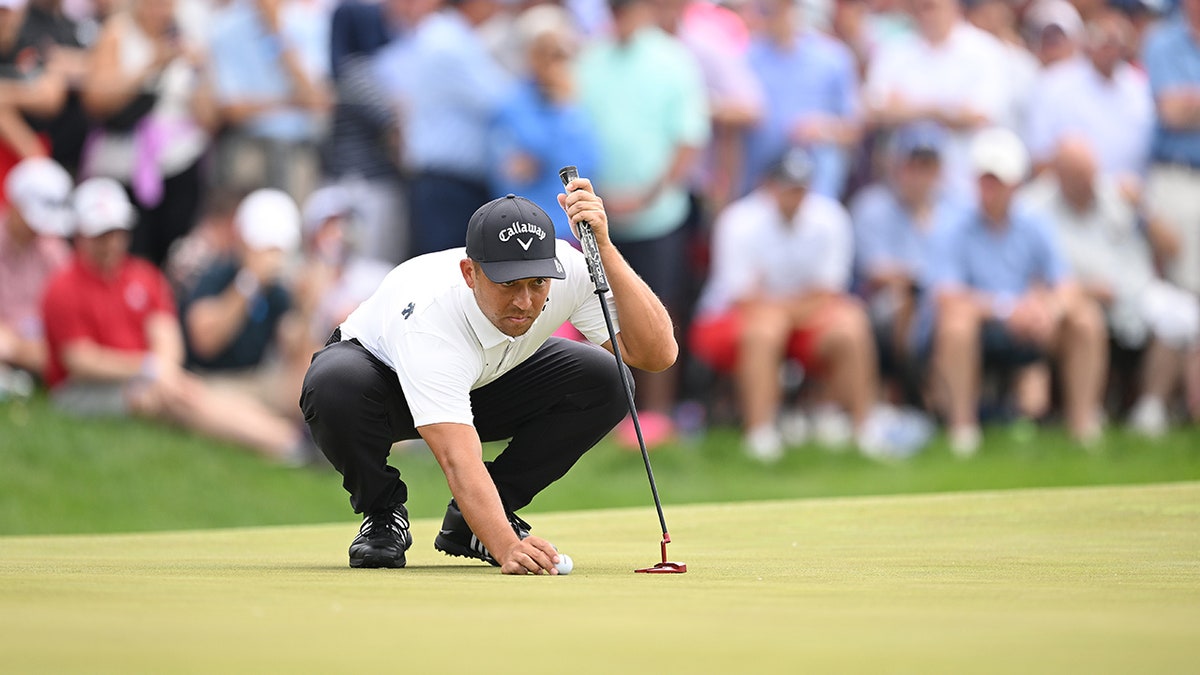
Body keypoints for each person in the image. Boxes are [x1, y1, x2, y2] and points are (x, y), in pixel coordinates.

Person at [299, 179, 677, 574]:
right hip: (381, 386)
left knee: (607, 378)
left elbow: (656, 354)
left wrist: (605, 251)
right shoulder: (431, 319)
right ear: (470, 273)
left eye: (537, 283)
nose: (525, 301)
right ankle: (382, 515)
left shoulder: (567, 270)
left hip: (486, 375)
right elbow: (457, 459)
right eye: (507, 283)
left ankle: (471, 523)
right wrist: (506, 546)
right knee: (334, 384)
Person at [41, 176, 317, 463]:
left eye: (117, 231)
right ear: (81, 234)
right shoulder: (64, 286)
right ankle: (292, 444)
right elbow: (81, 361)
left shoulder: (142, 276)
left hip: (160, 376)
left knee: (183, 392)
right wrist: (148, 367)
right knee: (178, 397)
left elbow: (165, 335)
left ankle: (295, 440)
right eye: (102, 233)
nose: (111, 242)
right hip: (83, 389)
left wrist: (162, 370)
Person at [689, 147, 931, 462]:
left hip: (797, 316)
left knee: (851, 322)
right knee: (765, 329)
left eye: (800, 186)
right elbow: (742, 299)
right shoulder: (739, 221)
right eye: (787, 185)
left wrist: (786, 310)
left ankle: (860, 427)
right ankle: (760, 433)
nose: (794, 195)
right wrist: (791, 309)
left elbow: (830, 292)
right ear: (769, 186)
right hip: (730, 320)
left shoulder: (829, 218)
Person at [925, 127, 1108, 456]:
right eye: (984, 179)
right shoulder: (953, 224)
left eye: (997, 180)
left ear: (1015, 185)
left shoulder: (1035, 223)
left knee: (1086, 318)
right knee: (956, 324)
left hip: (1031, 326)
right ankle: (962, 428)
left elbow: (1065, 284)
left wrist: (1047, 310)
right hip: (984, 326)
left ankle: (1083, 425)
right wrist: (1007, 310)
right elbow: (947, 296)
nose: (988, 189)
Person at [576, 0, 710, 447]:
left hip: (658, 213)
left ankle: (658, 416)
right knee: (598, 312)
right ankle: (610, 415)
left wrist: (650, 194)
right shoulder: (589, 58)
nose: (621, 18)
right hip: (599, 211)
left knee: (658, 310)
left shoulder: (673, 59)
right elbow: (575, 129)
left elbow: (688, 137)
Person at [1020, 137, 1198, 437]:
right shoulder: (1034, 207)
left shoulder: (1120, 194)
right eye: (1076, 176)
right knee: (1085, 318)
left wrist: (1144, 206)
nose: (1086, 183)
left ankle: (1152, 407)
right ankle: (1089, 409)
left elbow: (1173, 248)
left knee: (1183, 315)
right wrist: (1085, 289)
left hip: (1135, 291)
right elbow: (1032, 272)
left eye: (1090, 174)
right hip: (1076, 295)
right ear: (1058, 175)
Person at [79, 0, 218, 268]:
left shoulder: (187, 36)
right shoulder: (117, 32)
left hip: (179, 165)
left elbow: (209, 117)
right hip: (125, 166)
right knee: (133, 255)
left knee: (176, 253)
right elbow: (95, 100)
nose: (160, 9)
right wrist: (150, 66)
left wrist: (199, 71)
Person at [850, 122, 962, 406]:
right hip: (885, 303)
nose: (921, 175)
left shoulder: (956, 210)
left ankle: (947, 401)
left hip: (948, 299)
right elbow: (875, 270)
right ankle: (909, 389)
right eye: (914, 165)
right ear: (898, 166)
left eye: (928, 166)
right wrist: (923, 281)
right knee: (904, 300)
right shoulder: (872, 206)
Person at [180, 188, 302, 419]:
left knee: (315, 388)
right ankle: (292, 443)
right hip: (207, 382)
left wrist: (307, 306)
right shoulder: (217, 273)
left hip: (254, 381)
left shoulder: (277, 291)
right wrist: (249, 282)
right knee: (215, 406)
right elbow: (204, 342)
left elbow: (296, 353)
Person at [0, 156, 71, 381]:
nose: (38, 228)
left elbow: (67, 304)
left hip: (41, 340)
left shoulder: (53, 247)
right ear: (16, 205)